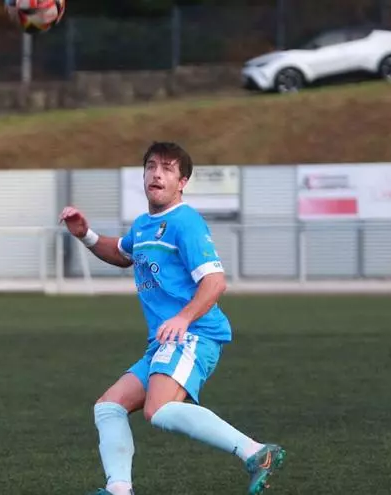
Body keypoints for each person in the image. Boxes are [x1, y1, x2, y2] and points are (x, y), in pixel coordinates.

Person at [59, 142, 286, 495]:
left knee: (160, 409)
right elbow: (122, 253)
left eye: (167, 168)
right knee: (108, 407)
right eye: (151, 166)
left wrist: (182, 318)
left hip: (194, 334)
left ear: (182, 182)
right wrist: (85, 235)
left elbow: (215, 282)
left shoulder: (185, 222)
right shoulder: (144, 225)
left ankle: (256, 452)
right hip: (165, 342)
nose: (157, 174)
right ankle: (119, 489)